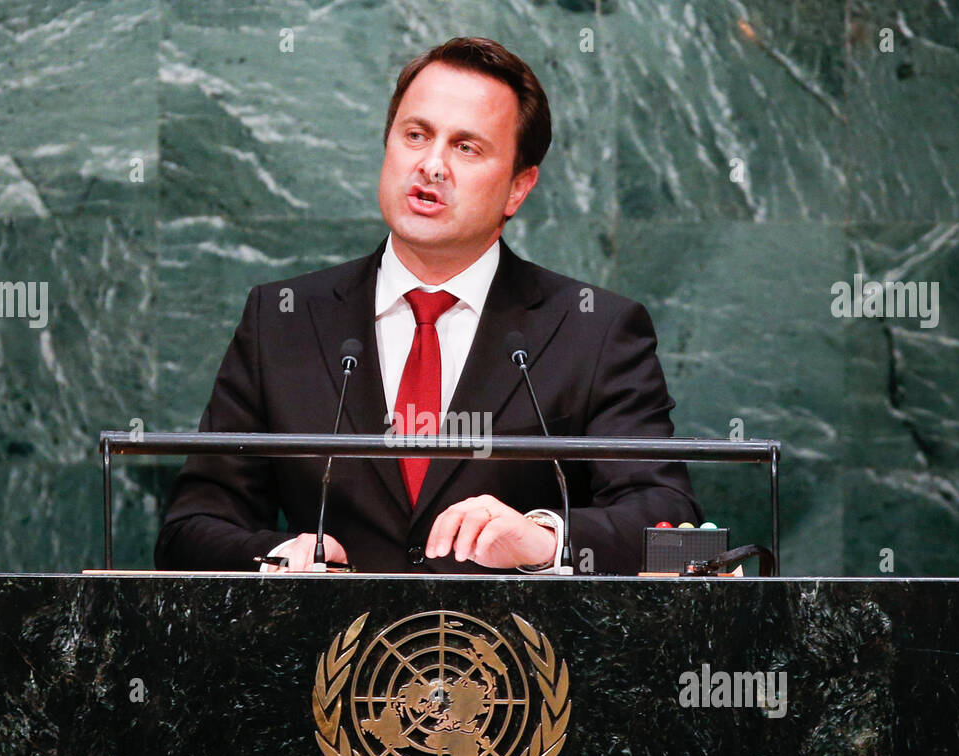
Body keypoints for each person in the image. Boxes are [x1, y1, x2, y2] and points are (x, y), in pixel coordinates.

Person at [155, 37, 701, 575]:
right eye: (416, 135)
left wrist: (543, 538)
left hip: (516, 657)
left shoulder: (594, 330)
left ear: (518, 187)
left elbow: (666, 519)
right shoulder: (282, 319)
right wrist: (276, 558)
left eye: (466, 147)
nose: (432, 165)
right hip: (328, 657)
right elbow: (192, 527)